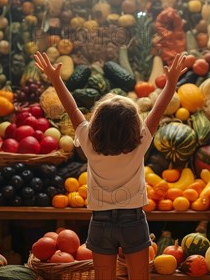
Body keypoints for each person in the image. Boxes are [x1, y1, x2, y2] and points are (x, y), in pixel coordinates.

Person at [34, 51, 187, 280]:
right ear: (135, 126)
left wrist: (56, 80)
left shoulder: (89, 142)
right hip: (133, 220)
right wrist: (172, 82)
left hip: (100, 221)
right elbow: (158, 109)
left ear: (96, 123)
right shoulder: (140, 142)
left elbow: (73, 108)